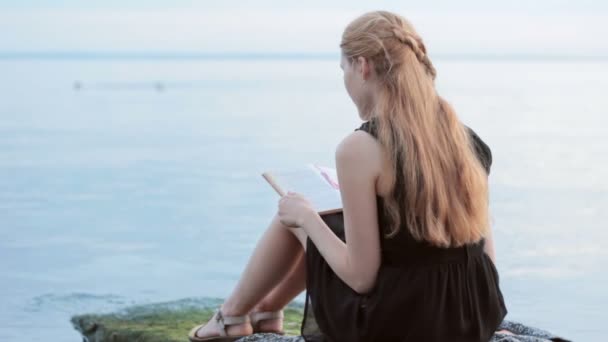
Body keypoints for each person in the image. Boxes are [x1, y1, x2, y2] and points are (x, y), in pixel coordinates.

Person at [188, 10, 507, 342]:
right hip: (472, 316)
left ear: (363, 66)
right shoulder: (465, 138)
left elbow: (361, 278)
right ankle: (266, 310)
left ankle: (232, 317)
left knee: (295, 213)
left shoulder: (360, 148)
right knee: (324, 217)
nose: (346, 81)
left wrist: (307, 218)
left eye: (344, 69)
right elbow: (485, 253)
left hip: (402, 324)